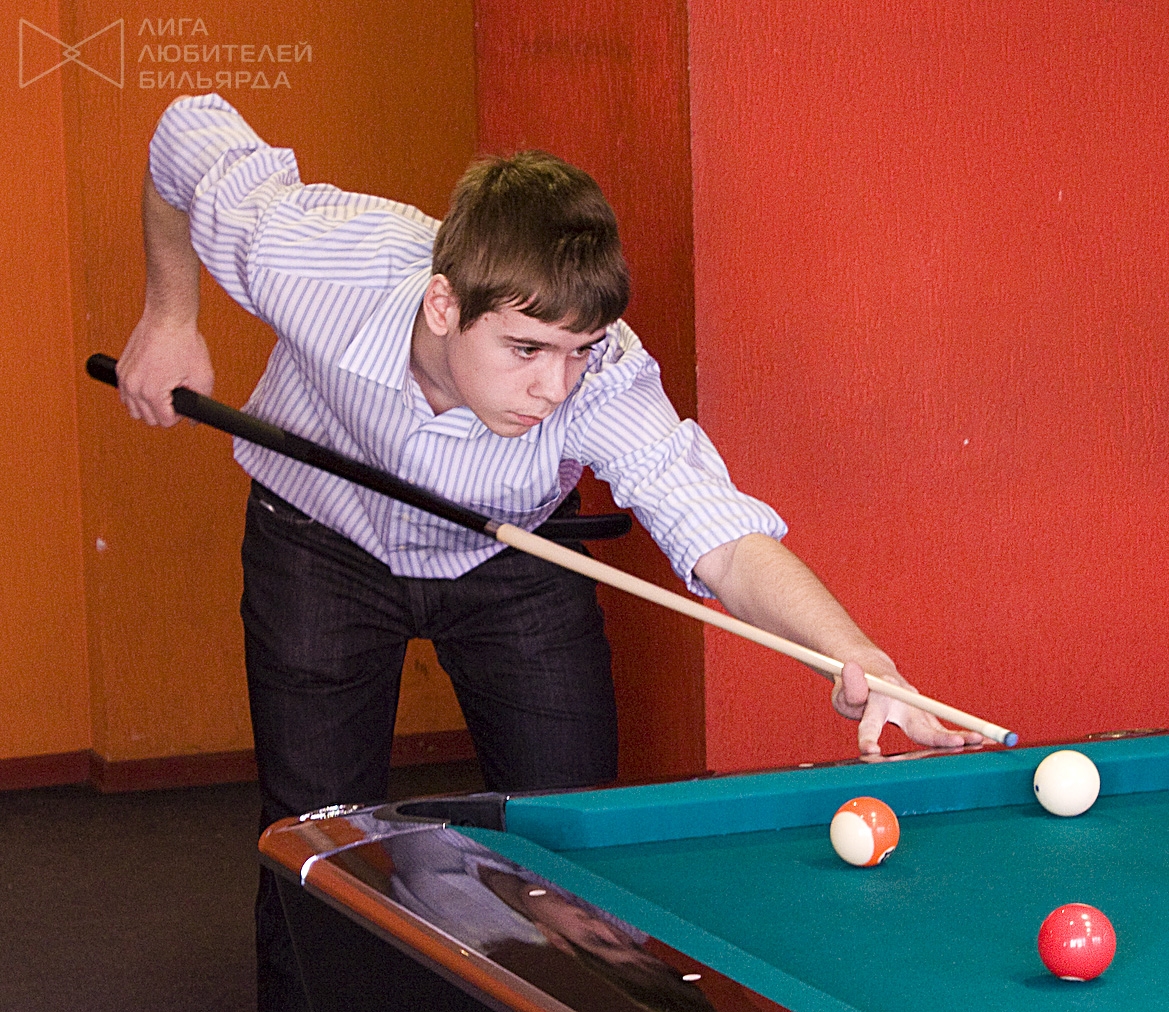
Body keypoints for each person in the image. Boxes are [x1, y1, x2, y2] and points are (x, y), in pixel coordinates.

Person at [117, 94, 983, 1010]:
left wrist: (855, 656)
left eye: (577, 350)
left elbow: (724, 539)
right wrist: (170, 316)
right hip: (319, 540)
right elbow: (186, 132)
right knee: (314, 842)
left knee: (571, 840)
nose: (553, 386)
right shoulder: (317, 258)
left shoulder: (604, 379)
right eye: (525, 349)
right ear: (443, 305)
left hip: (517, 556)